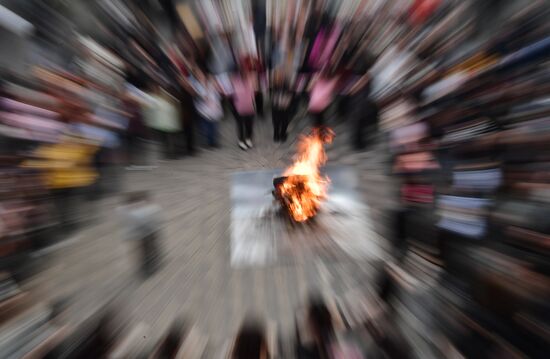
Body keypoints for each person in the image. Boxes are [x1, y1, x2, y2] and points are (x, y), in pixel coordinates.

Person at [121, 191, 163, 277]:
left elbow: (154, 219)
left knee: (150, 248)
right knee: (145, 249)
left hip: (150, 232)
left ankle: (152, 264)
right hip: (143, 234)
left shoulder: (149, 209)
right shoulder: (137, 210)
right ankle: (148, 265)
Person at [191, 71, 223, 148]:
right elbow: (198, 97)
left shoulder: (211, 84)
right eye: (198, 75)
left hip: (214, 108)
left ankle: (213, 142)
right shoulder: (196, 85)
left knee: (214, 126)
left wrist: (216, 87)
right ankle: (207, 142)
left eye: (201, 75)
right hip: (202, 109)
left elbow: (218, 94)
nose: (200, 77)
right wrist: (203, 96)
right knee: (205, 127)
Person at [231, 71, 256, 150]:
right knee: (240, 124)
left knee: (250, 124)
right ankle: (241, 140)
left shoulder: (252, 79)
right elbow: (230, 94)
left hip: (250, 106)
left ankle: (248, 138)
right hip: (238, 107)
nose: (247, 74)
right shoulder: (235, 81)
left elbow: (254, 93)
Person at [271, 71, 294, 142]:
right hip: (285, 105)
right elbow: (291, 94)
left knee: (276, 120)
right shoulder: (287, 85)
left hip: (276, 105)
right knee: (284, 120)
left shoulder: (274, 85)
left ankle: (276, 135)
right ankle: (282, 135)